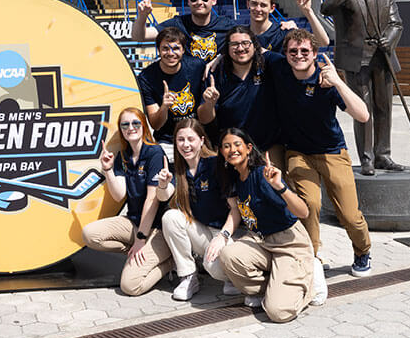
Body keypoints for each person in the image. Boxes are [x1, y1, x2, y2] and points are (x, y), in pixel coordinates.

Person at [266, 29, 374, 277]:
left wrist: (337, 81)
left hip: (332, 151)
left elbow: (363, 115)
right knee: (309, 205)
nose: (299, 55)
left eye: (305, 51)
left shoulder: (326, 80)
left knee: (349, 213)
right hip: (298, 152)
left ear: (315, 54)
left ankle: (362, 250)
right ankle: (312, 255)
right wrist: (218, 58)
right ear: (285, 54)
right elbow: (248, 48)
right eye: (293, 51)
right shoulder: (280, 67)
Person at [207, 128, 324, 323]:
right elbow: (236, 210)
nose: (232, 150)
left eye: (237, 145)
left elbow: (303, 212)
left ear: (248, 148)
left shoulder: (263, 175)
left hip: (288, 242)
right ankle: (278, 285)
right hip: (261, 242)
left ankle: (311, 277)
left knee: (278, 312)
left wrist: (280, 186)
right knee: (227, 256)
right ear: (221, 152)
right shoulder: (233, 177)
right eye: (226, 146)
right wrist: (223, 235)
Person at [321, 0, 404, 175]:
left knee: (384, 107)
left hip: (381, 57)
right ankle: (366, 158)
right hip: (356, 58)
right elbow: (326, 7)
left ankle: (383, 155)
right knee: (363, 108)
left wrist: (390, 38)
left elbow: (396, 22)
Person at [81, 107, 174, 296]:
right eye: (125, 125)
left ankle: (171, 261)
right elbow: (118, 195)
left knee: (130, 286)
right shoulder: (123, 156)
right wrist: (107, 170)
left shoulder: (154, 152)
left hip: (158, 230)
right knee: (90, 234)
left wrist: (141, 240)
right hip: (133, 223)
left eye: (135, 123)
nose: (130, 127)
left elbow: (152, 199)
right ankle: (140, 255)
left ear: (143, 125)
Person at [160, 119, 231, 301]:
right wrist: (163, 185)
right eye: (180, 139)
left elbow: (236, 208)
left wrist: (223, 236)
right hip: (203, 231)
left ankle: (236, 278)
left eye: (190, 139)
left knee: (213, 267)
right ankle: (188, 276)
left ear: (201, 140)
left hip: (227, 232)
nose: (186, 145)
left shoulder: (215, 164)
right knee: (171, 217)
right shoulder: (178, 170)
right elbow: (164, 196)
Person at [197, 25, 280, 153]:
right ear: (227, 49)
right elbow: (204, 119)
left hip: (267, 147)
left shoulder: (268, 67)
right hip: (232, 149)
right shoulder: (215, 74)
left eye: (245, 43)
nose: (240, 48)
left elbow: (295, 63)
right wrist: (209, 104)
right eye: (234, 44)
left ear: (255, 46)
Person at [136, 27, 205, 146]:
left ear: (183, 50)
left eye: (176, 48)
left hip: (198, 136)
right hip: (167, 140)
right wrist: (164, 107)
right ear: (158, 50)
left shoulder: (197, 67)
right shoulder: (146, 77)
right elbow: (155, 125)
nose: (171, 53)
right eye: (165, 49)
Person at [132, 0, 230, 63]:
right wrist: (142, 16)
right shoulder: (178, 24)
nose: (199, 2)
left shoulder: (226, 26)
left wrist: (221, 57)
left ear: (213, 0)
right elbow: (139, 37)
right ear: (188, 2)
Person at [246, 0, 331, 54]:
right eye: (254, 3)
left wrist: (308, 11)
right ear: (248, 4)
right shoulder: (240, 34)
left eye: (263, 5)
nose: (258, 9)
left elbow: (323, 42)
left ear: (272, 8)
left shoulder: (283, 33)